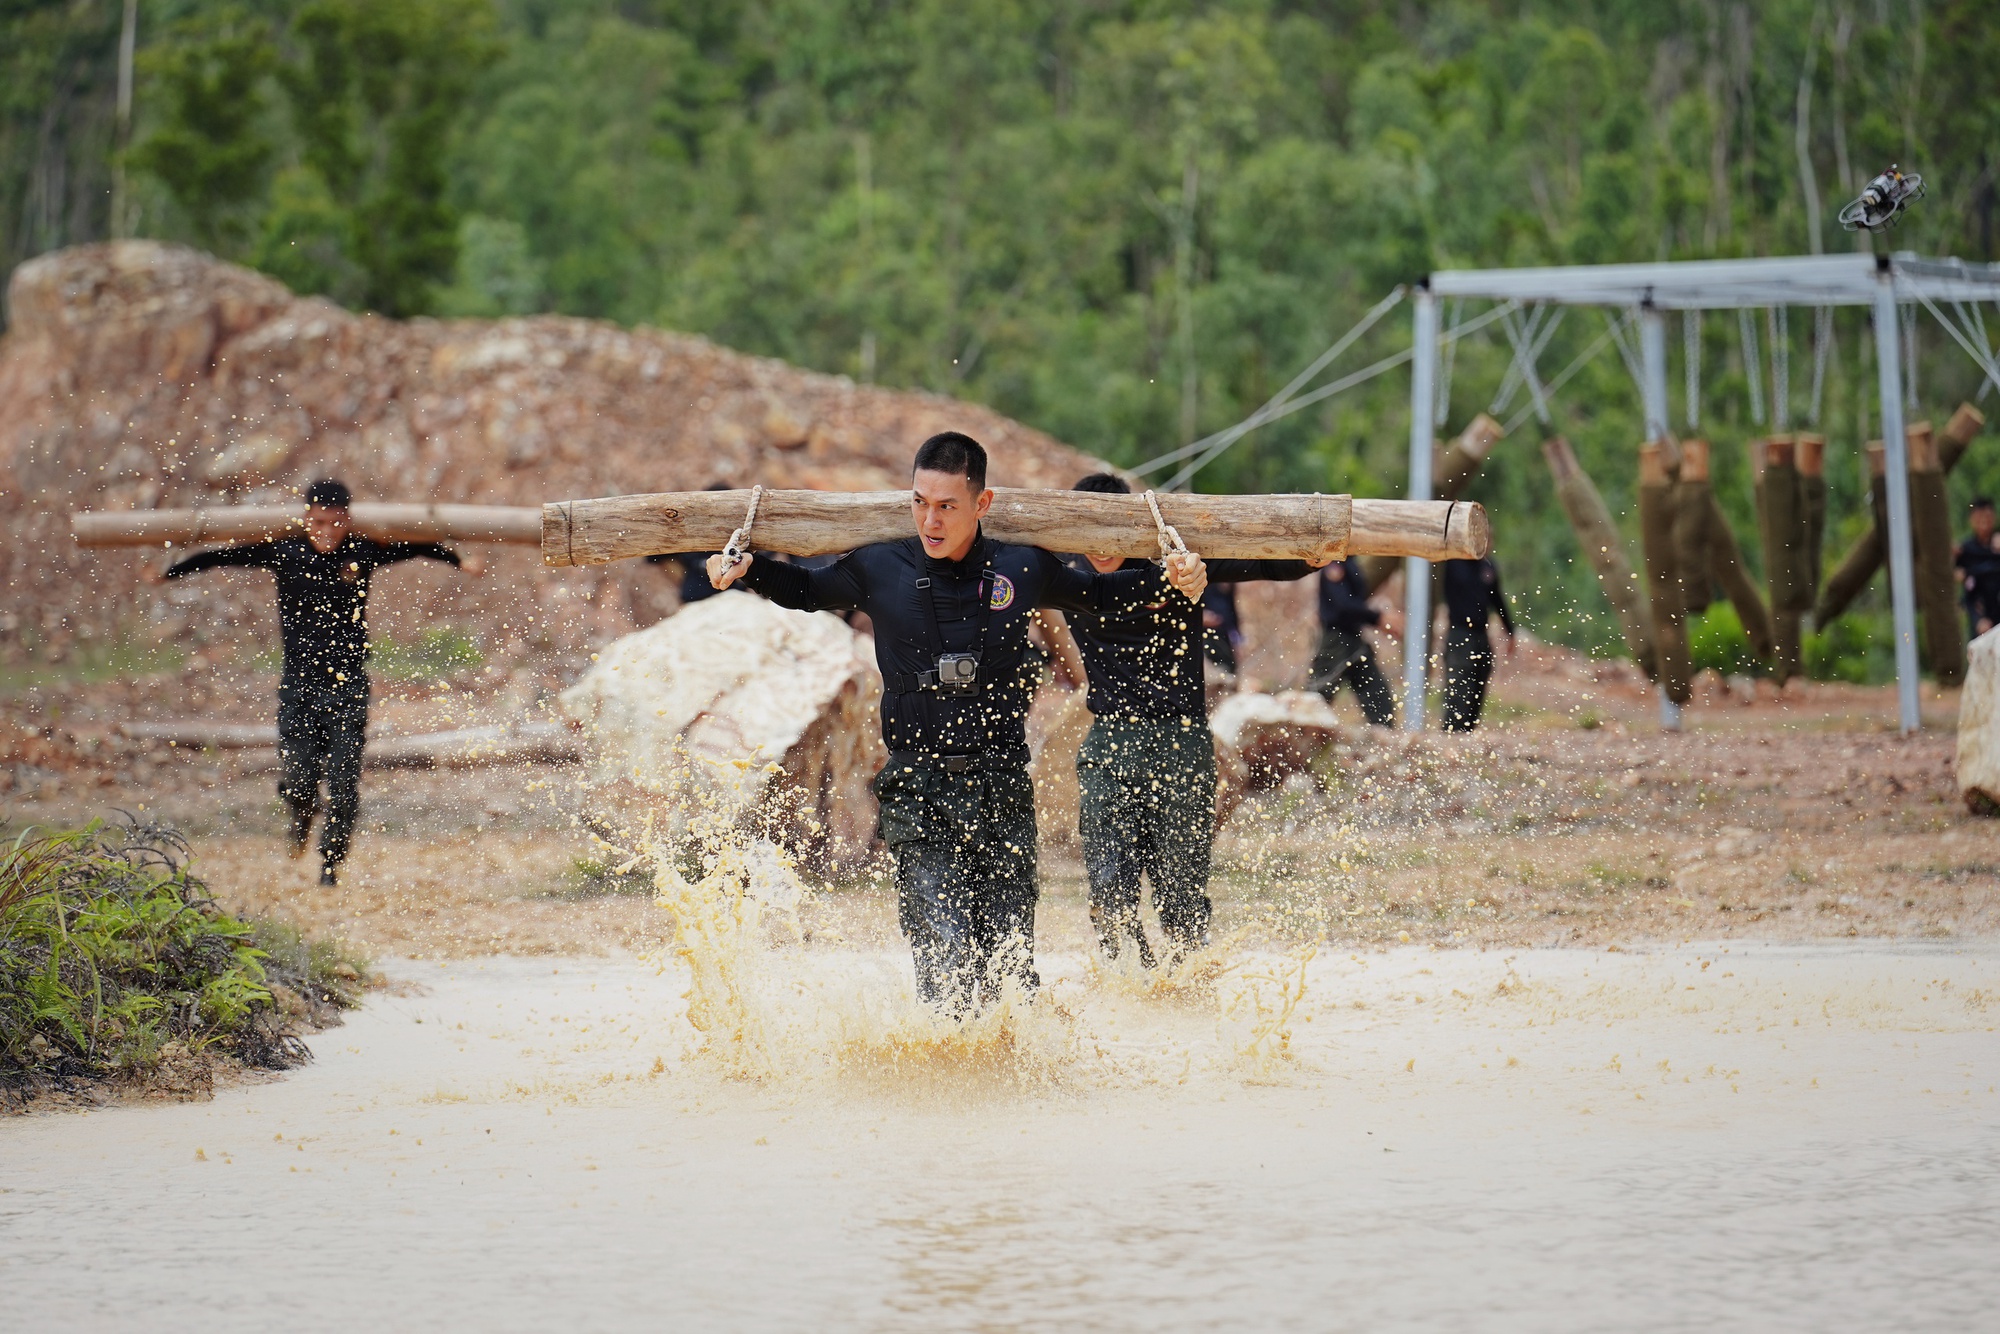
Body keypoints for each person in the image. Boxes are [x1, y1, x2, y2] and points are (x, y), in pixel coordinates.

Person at [707, 434, 1208, 1015]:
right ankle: (947, 1084)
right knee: (944, 964)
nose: (930, 520)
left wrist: (1176, 580)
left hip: (1000, 789)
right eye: (920, 502)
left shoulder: (1021, 566)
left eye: (947, 505)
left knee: (1009, 969)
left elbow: (1099, 593)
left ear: (982, 503)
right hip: (919, 791)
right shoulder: (880, 565)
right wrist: (750, 570)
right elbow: (808, 589)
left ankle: (1003, 1089)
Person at [159, 480, 476, 885]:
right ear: (307, 518)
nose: (326, 530)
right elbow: (223, 556)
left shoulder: (361, 551)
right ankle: (300, 815)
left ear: (347, 521)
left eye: (335, 522)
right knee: (298, 777)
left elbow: (415, 547)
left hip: (348, 685)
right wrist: (169, 573)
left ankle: (330, 865)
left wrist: (458, 560)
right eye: (319, 521)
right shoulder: (284, 551)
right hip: (300, 685)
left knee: (344, 782)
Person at [1060, 473, 1319, 965]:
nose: (1100, 547)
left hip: (1181, 743)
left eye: (1111, 533)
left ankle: (1187, 991)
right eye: (1087, 533)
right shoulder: (1064, 572)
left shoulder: (1176, 560)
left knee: (1182, 896)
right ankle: (1130, 988)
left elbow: (1259, 559)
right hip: (1109, 744)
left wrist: (1314, 550)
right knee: (1108, 892)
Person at [1309, 558, 1400, 727]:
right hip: (1335, 640)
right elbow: (1343, 606)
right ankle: (1298, 737)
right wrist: (1378, 617)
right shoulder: (1334, 562)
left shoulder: (1350, 561)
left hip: (1354, 638)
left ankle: (1383, 738)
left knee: (1377, 695)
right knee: (1317, 696)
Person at [1439, 554, 1515, 733]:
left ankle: (1468, 730)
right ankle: (1452, 732)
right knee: (1459, 685)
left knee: (1479, 682)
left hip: (1481, 633)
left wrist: (1509, 630)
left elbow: (1497, 599)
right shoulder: (1452, 563)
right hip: (1459, 632)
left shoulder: (1487, 567)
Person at [1956, 498, 2000, 639]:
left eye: (1987, 517)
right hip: (1980, 612)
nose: (1984, 522)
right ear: (1972, 519)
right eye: (1979, 517)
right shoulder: (1966, 551)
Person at [1201, 582, 1242, 676]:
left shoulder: (1230, 577)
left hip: (1225, 630)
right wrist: (1200, 616)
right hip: (1204, 632)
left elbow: (1232, 606)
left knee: (1229, 669)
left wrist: (1238, 639)